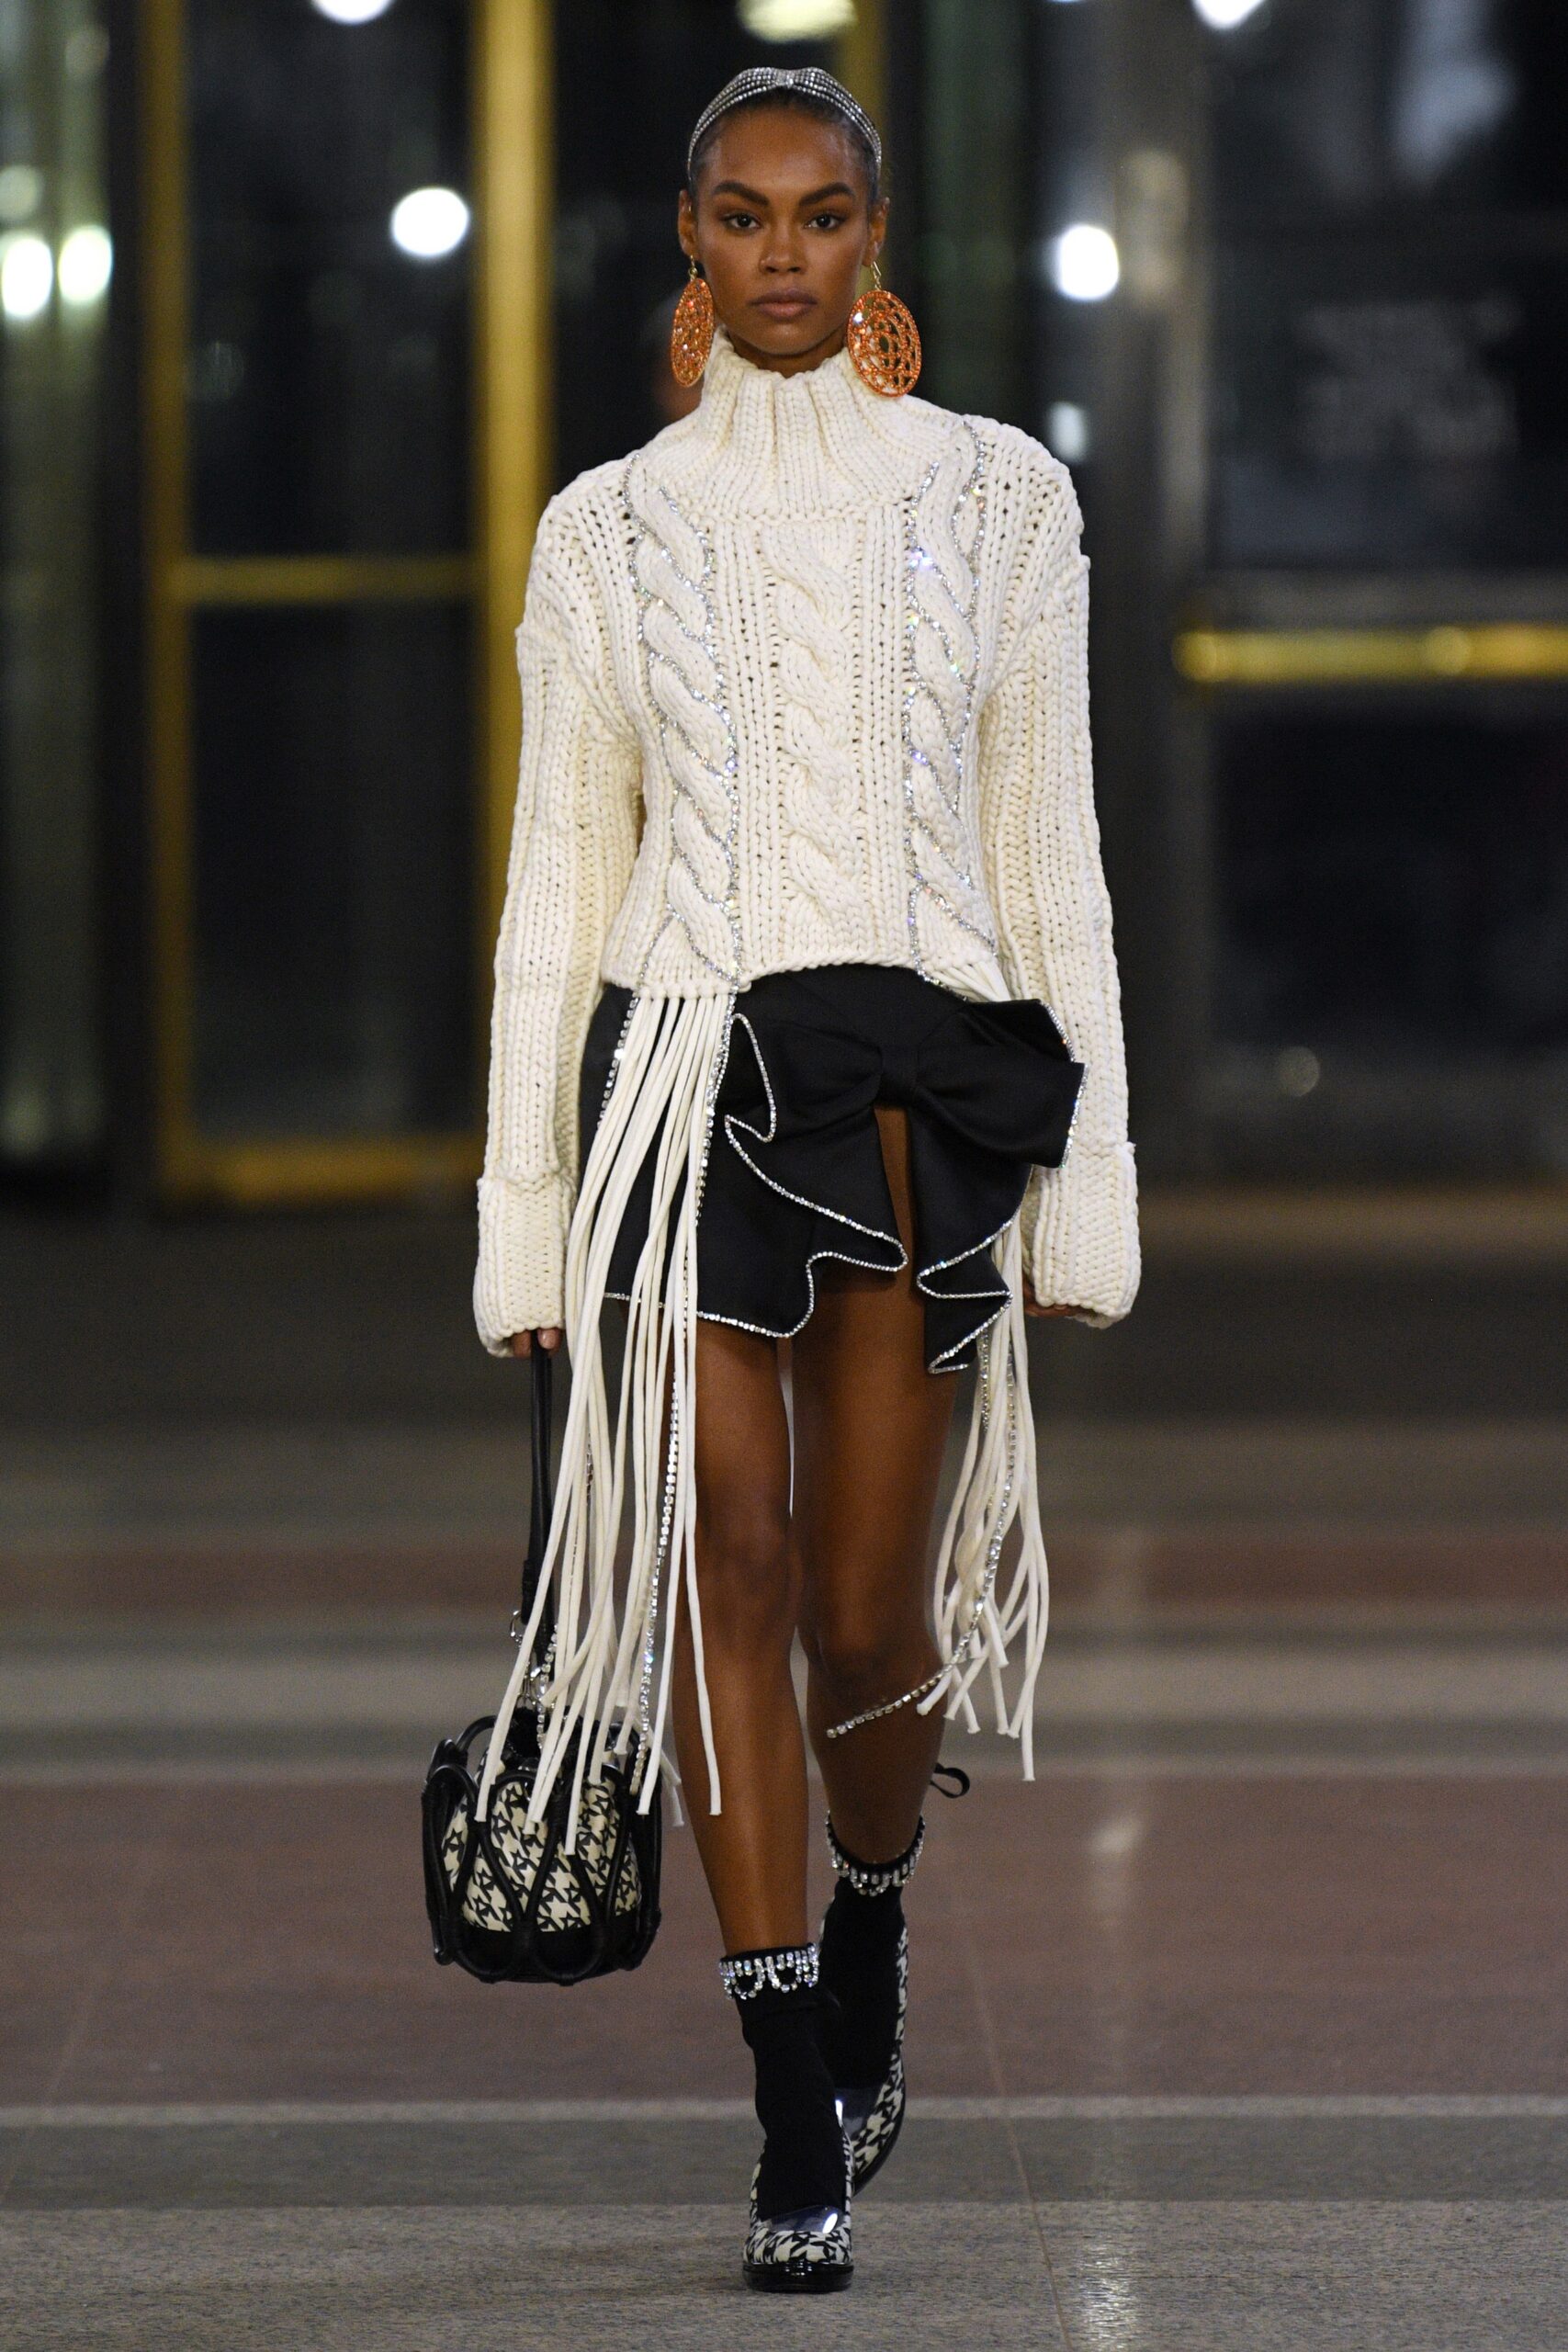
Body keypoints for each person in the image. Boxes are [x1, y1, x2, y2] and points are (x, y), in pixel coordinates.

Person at [472, 63, 1139, 2293]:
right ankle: (783, 2108)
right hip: (679, 1075)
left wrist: (1091, 1179)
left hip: (912, 1088)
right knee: (717, 1563)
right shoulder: (608, 529)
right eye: (741, 215)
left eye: (821, 213)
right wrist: (520, 1206)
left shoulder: (1002, 500)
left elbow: (1050, 855)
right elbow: (559, 885)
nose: (780, 251)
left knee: (869, 1611)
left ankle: (867, 1910)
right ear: (686, 243)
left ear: (875, 241)